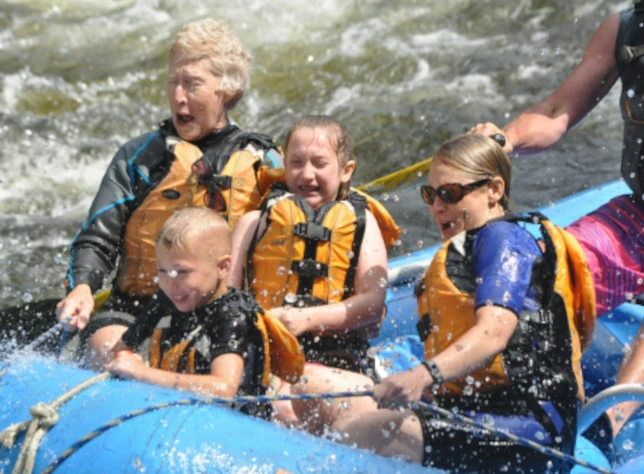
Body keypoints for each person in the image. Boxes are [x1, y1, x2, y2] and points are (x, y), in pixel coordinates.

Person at [290, 134, 596, 472]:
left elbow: (494, 332)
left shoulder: (504, 240)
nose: (437, 207)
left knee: (371, 432)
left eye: (450, 194)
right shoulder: (470, 248)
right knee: (310, 383)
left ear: (494, 190)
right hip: (468, 410)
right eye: (430, 194)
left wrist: (423, 376)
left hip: (529, 430)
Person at [56, 18, 282, 368]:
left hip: (224, 320)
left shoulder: (263, 162)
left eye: (192, 84)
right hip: (135, 312)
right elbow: (96, 239)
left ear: (226, 89)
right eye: (173, 82)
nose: (178, 96)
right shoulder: (141, 157)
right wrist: (83, 286)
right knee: (105, 348)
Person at [471, 2, 644, 438]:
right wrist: (503, 140)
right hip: (639, 215)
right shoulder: (623, 29)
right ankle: (497, 386)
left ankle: (614, 419)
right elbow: (555, 113)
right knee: (546, 274)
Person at [229, 115, 400, 422]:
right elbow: (226, 300)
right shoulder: (253, 224)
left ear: (346, 170)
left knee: (296, 409)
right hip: (265, 358)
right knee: (277, 407)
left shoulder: (363, 224)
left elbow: (372, 305)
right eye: (296, 162)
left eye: (319, 163)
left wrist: (303, 319)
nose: (306, 174)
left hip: (334, 356)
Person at [105, 207, 303, 417]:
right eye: (162, 271)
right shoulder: (167, 299)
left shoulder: (232, 317)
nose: (170, 283)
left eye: (182, 272)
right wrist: (124, 357)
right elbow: (123, 346)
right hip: (175, 408)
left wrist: (144, 374)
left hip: (231, 421)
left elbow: (224, 388)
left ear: (223, 267)